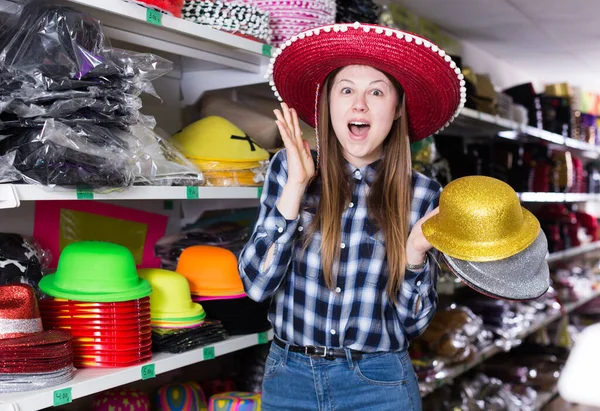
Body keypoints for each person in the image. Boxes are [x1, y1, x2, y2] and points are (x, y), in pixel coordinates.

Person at [238, 21, 465, 411]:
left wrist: (413, 252)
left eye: (376, 92)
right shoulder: (287, 168)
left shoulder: (425, 195)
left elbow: (414, 326)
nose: (359, 105)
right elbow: (256, 286)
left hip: (378, 385)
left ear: (396, 110)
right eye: (346, 90)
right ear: (328, 104)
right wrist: (295, 187)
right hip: (288, 378)